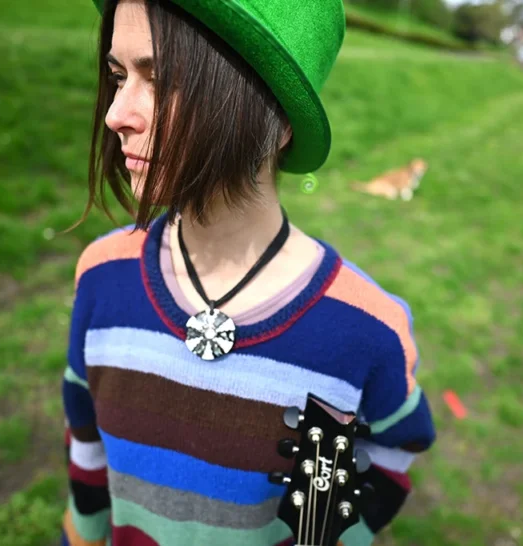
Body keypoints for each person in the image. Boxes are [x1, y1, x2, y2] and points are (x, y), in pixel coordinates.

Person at [60, 0, 436, 544]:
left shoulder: (364, 329)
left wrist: (327, 531)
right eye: (119, 77)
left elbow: (393, 453)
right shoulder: (102, 275)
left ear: (277, 119)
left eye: (161, 80)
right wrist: (84, 531)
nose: (116, 114)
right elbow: (84, 432)